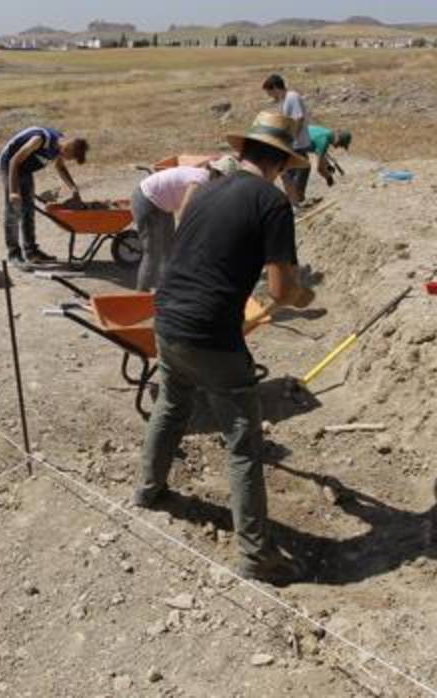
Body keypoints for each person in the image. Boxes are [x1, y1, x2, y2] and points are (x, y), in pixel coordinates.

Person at [135, 111, 316, 587]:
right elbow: (280, 290)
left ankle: (148, 489)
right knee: (243, 441)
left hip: (166, 317)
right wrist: (302, 294)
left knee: (172, 404)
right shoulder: (272, 203)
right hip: (212, 333)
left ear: (245, 151)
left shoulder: (208, 187)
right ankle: (256, 555)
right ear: (280, 161)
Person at [131, 156, 240, 291]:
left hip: (162, 204)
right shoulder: (200, 181)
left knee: (170, 250)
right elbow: (182, 214)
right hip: (147, 200)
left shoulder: (209, 180)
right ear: (220, 174)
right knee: (153, 252)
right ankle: (141, 295)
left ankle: (167, 290)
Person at [0, 126, 89, 269]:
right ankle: (14, 255)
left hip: (25, 169)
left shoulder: (60, 146)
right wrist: (13, 192)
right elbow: (14, 161)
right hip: (10, 164)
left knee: (28, 210)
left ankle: (31, 252)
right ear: (68, 147)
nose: (67, 159)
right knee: (14, 211)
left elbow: (60, 167)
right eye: (69, 156)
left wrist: (74, 189)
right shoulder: (40, 140)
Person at [262, 74, 313, 207]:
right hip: (290, 143)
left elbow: (299, 119)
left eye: (269, 92)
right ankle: (294, 201)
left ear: (275, 88)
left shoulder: (292, 97)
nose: (269, 95)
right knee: (288, 172)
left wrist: (291, 139)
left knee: (298, 168)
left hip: (297, 143)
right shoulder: (284, 100)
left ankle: (296, 199)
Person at [306, 124, 352, 191]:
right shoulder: (324, 141)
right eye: (340, 143)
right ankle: (297, 198)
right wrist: (329, 178)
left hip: (294, 139)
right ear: (337, 137)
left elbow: (319, 152)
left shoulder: (326, 133)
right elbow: (319, 169)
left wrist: (327, 165)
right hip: (292, 144)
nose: (338, 147)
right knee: (304, 167)